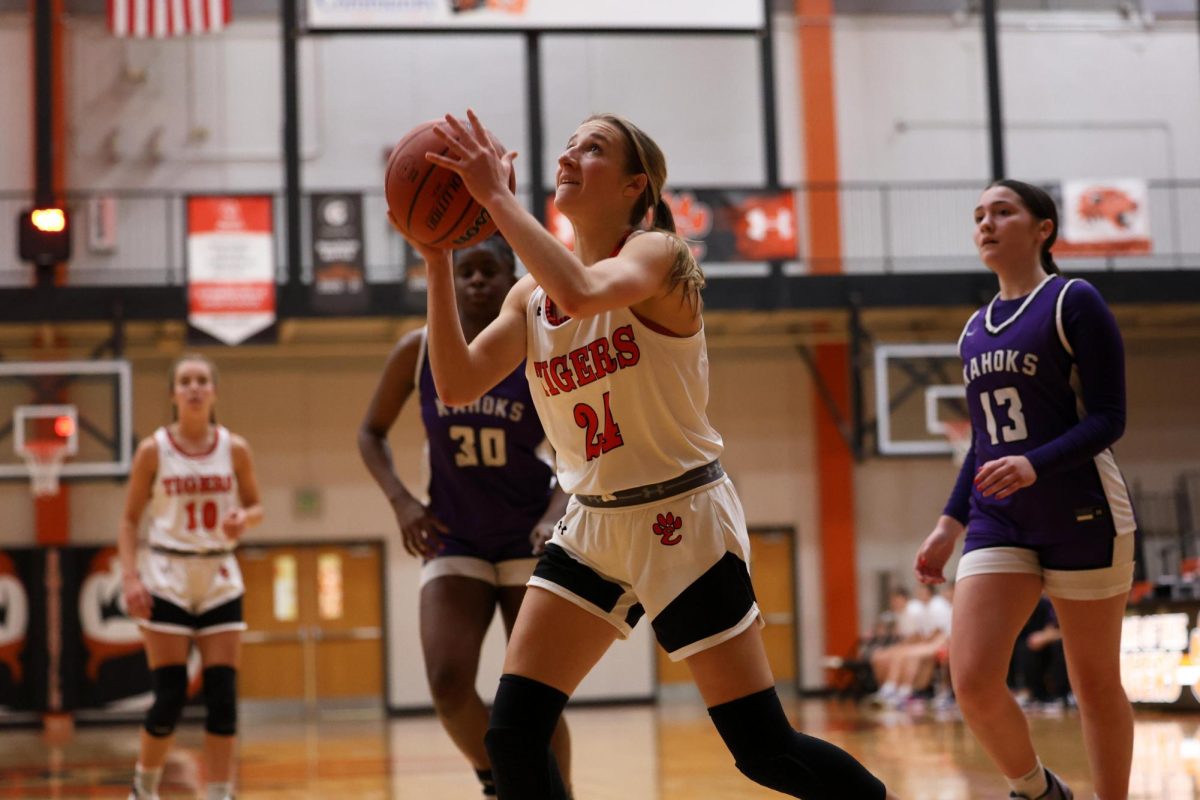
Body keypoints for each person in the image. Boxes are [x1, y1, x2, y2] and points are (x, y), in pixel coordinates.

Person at [400, 108, 897, 800]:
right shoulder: (526, 296)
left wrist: (495, 200)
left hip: (683, 518)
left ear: (637, 185)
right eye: (567, 146)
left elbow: (582, 291)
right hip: (594, 525)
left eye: (593, 149)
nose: (570, 157)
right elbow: (453, 384)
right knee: (513, 735)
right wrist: (436, 255)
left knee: (763, 751)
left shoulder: (661, 255)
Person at [915, 179, 1136, 800]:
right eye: (979, 215)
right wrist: (948, 523)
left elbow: (1109, 418)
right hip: (1000, 518)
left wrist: (1036, 463)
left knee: (1093, 682)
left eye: (1002, 212)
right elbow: (984, 445)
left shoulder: (1073, 301)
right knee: (974, 678)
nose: (986, 223)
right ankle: (1038, 791)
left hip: (1082, 510)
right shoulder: (973, 330)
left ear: (1043, 228)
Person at [358, 235, 572, 797]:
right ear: (448, 283)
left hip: (528, 533)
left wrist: (556, 510)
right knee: (449, 683)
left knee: (533, 695)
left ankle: (558, 794)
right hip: (454, 537)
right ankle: (493, 778)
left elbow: (581, 447)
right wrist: (403, 501)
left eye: (488, 271)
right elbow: (370, 432)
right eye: (465, 272)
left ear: (511, 278)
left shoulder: (537, 352)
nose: (476, 281)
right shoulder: (420, 350)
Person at [119, 354, 263, 800]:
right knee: (171, 694)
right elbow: (128, 520)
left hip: (219, 571)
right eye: (186, 381)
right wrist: (130, 578)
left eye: (202, 380)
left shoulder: (234, 448)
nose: (195, 387)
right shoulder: (153, 450)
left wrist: (245, 519)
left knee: (222, 697)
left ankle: (220, 793)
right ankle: (144, 787)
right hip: (167, 572)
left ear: (214, 391)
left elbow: (257, 506)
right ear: (173, 394)